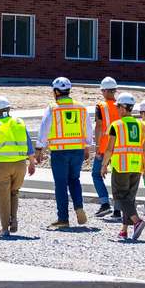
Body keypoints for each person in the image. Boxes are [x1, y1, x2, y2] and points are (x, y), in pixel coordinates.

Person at [35, 77, 92, 229]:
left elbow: (44, 128)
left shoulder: (53, 108)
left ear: (56, 91)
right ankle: (79, 207)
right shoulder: (81, 107)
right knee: (74, 180)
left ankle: (63, 218)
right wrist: (87, 146)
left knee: (61, 184)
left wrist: (39, 149)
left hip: (60, 152)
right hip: (78, 151)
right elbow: (88, 128)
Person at [0, 96, 36, 237]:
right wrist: (32, 162)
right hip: (20, 165)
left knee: (3, 197)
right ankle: (14, 220)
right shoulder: (19, 122)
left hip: (1, 166)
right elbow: (29, 145)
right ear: (9, 109)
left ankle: (4, 228)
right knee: (14, 192)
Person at [100, 93, 145, 240]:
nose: (117, 110)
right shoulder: (142, 125)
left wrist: (104, 165)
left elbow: (109, 149)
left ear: (123, 108)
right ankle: (124, 230)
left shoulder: (116, 125)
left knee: (120, 198)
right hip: (136, 167)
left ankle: (137, 221)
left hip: (121, 167)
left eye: (118, 107)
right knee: (129, 199)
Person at [92, 76, 122, 218]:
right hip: (119, 147)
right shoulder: (121, 106)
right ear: (114, 90)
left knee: (96, 174)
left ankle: (105, 203)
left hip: (104, 147)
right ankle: (117, 210)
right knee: (116, 179)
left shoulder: (101, 106)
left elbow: (98, 126)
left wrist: (97, 145)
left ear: (103, 91)